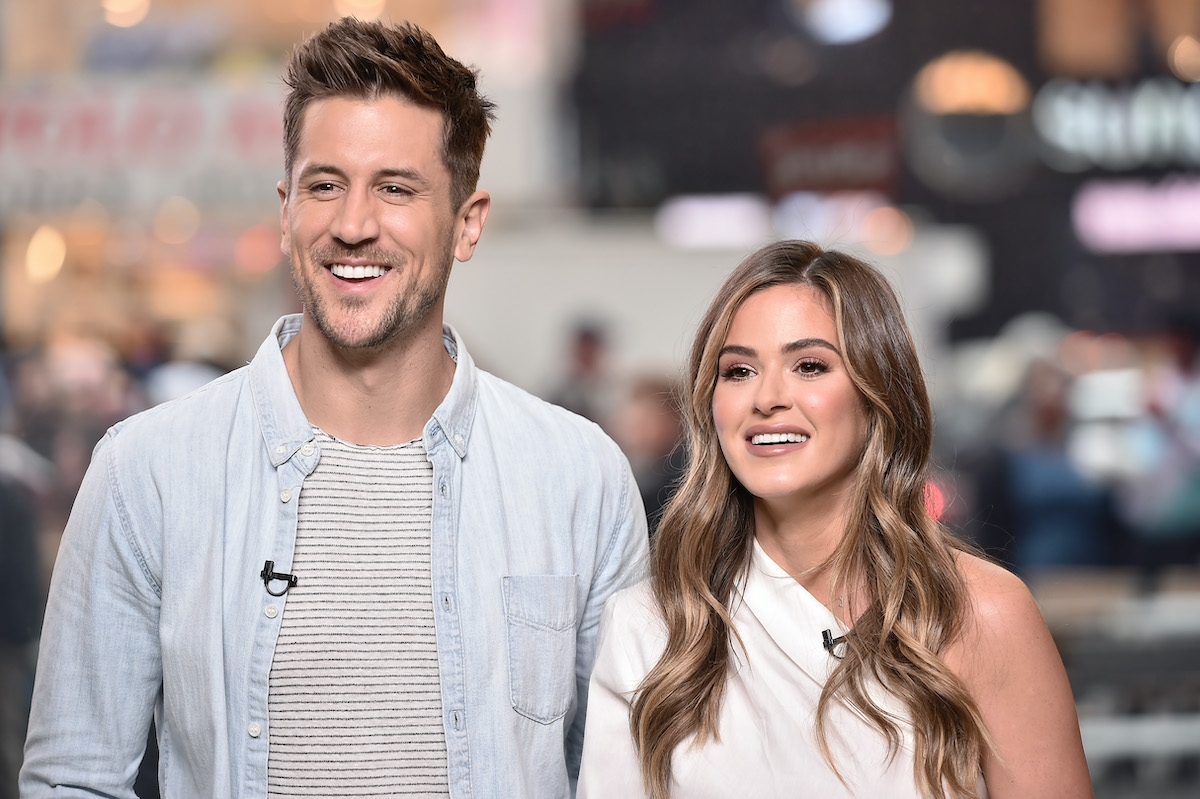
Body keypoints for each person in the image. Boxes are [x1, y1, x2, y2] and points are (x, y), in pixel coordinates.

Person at [21, 17, 647, 799]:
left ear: (467, 221)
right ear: (286, 211)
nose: (353, 225)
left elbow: (625, 777)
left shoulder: (577, 476)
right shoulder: (146, 471)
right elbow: (71, 777)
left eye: (396, 188)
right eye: (325, 184)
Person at [577, 241, 1092, 799]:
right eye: (740, 370)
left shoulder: (981, 614)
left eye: (810, 366)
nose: (768, 397)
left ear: (878, 395)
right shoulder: (650, 628)